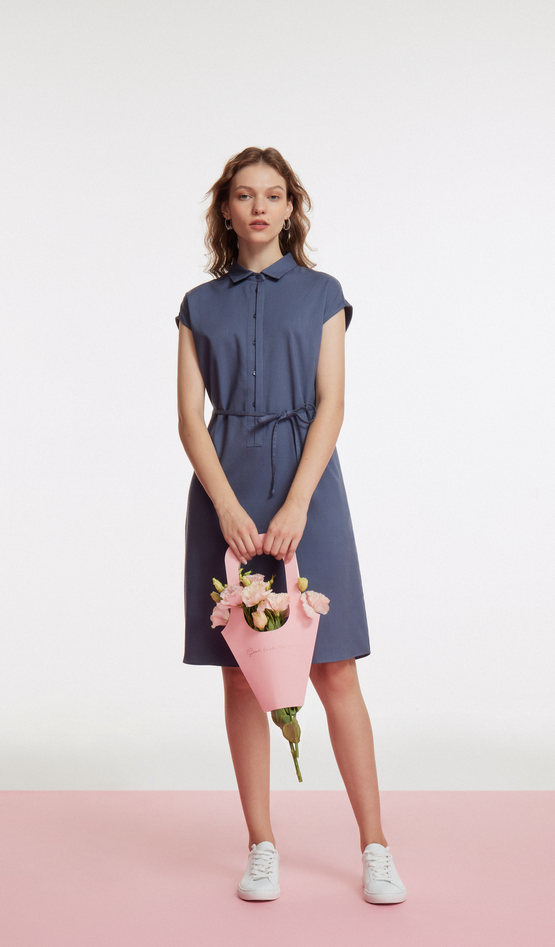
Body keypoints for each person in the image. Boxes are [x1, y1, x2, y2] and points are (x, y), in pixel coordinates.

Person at [175, 147, 407, 905]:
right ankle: (261, 844)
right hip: (228, 491)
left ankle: (375, 845)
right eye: (245, 195)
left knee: (334, 667)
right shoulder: (197, 306)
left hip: (311, 489)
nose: (259, 208)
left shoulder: (323, 294)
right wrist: (226, 507)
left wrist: (300, 501)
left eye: (273, 195)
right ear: (226, 208)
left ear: (290, 207)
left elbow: (332, 403)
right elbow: (190, 420)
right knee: (243, 674)